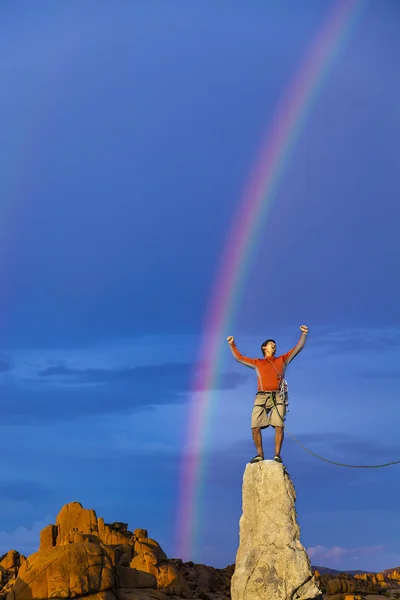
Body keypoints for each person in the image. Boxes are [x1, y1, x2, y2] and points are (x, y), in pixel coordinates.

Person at [227, 326, 308, 464]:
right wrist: (231, 344)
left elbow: (297, 349)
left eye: (275, 345)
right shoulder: (258, 363)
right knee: (255, 426)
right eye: (271, 345)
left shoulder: (282, 360)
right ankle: (260, 454)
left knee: (279, 426)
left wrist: (304, 334)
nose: (274, 347)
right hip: (261, 396)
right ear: (264, 347)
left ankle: (277, 455)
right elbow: (239, 358)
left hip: (277, 396)